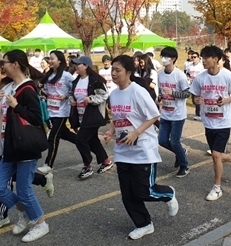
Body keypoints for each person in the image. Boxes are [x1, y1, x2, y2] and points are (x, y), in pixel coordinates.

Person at [103, 55, 178, 240]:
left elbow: (153, 115)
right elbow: (119, 118)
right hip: (122, 151)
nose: (113, 73)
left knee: (144, 191)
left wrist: (136, 133)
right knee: (128, 195)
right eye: (112, 69)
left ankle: (168, 194)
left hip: (143, 150)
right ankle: (144, 224)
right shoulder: (113, 95)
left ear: (128, 72)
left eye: (117, 70)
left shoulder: (137, 91)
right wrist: (111, 132)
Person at [0, 60, 54, 232]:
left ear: (15, 64)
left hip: (24, 145)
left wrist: (17, 106)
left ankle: (40, 224)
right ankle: (25, 214)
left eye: (5, 62)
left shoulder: (28, 89)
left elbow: (36, 118)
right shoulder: (8, 87)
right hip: (8, 146)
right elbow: (0, 112)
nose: (2, 66)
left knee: (24, 190)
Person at [189, 45, 231, 201]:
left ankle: (217, 188)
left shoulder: (227, 76)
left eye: (206, 58)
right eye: (203, 57)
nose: (203, 61)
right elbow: (194, 96)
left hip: (223, 122)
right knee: (216, 155)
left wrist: (226, 100)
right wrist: (196, 100)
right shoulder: (200, 78)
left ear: (216, 60)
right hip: (208, 121)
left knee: (216, 155)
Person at [68, 55, 113, 179]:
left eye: (78, 64)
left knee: (80, 139)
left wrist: (91, 99)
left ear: (86, 66)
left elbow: (104, 95)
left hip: (93, 116)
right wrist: (71, 99)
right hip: (81, 116)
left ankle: (87, 165)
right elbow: (71, 93)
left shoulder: (95, 80)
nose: (76, 66)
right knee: (92, 140)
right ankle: (106, 161)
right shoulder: (76, 80)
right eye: (75, 64)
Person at [37, 51, 77, 174]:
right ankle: (85, 142)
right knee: (66, 135)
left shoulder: (67, 76)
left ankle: (48, 164)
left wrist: (66, 96)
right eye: (49, 58)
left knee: (53, 137)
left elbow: (75, 89)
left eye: (52, 58)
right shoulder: (48, 76)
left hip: (62, 112)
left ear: (60, 61)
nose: (50, 61)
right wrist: (42, 91)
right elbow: (47, 91)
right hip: (51, 111)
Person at [157, 46, 191, 177]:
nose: (164, 59)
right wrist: (160, 97)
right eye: (162, 56)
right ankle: (180, 152)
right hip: (165, 113)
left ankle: (184, 165)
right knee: (162, 140)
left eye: (167, 57)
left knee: (174, 141)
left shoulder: (180, 75)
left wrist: (173, 93)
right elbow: (160, 92)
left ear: (173, 59)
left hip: (177, 114)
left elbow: (187, 94)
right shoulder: (159, 74)